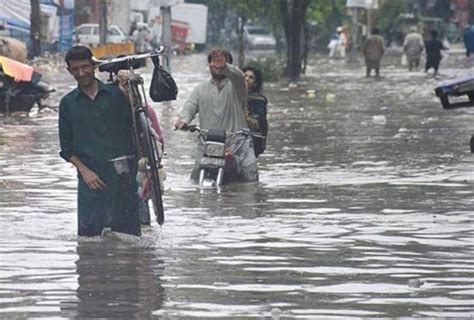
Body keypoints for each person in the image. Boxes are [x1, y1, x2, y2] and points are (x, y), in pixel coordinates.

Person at [58, 45, 141, 237]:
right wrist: (85, 172)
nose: (81, 73)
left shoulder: (116, 95)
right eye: (76, 69)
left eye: (85, 67)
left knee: (129, 240)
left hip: (124, 177)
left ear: (93, 66)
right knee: (89, 242)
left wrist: (130, 98)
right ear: (69, 70)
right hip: (91, 181)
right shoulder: (68, 103)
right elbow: (66, 149)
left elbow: (138, 128)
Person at [174, 49, 258, 183]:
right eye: (215, 63)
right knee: (194, 180)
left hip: (237, 144)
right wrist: (183, 121)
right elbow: (190, 107)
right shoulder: (200, 88)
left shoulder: (238, 87)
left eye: (223, 63)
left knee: (250, 180)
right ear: (209, 66)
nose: (218, 67)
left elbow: (239, 76)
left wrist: (225, 68)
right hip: (208, 144)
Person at [242, 66, 268, 157]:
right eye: (245, 76)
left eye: (251, 77)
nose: (247, 79)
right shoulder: (232, 95)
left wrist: (244, 115)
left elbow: (259, 123)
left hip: (250, 139)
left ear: (256, 83)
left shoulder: (258, 100)